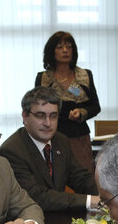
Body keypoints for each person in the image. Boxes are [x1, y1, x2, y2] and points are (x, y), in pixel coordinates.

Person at [0, 87, 99, 212]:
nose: (48, 123)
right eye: (40, 116)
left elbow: (80, 178)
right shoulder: (11, 151)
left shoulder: (61, 141)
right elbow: (36, 196)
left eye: (53, 116)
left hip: (59, 217)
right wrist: (90, 201)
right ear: (25, 116)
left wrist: (107, 197)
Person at [35, 31, 100, 173]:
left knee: (82, 176)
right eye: (59, 47)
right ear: (51, 51)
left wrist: (82, 113)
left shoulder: (84, 75)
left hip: (79, 137)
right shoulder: (43, 78)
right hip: (51, 136)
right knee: (55, 176)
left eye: (69, 47)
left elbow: (95, 106)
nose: (65, 51)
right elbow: (36, 109)